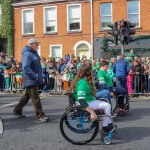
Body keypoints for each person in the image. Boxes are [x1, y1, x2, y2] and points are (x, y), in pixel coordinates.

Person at [70, 63, 115, 133]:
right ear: (88, 72)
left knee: (105, 104)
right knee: (107, 106)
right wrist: (92, 112)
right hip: (86, 102)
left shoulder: (82, 80)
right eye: (91, 71)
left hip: (89, 100)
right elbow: (81, 100)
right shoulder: (82, 83)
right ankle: (106, 127)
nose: (92, 73)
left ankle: (108, 124)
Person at [13, 38, 49, 122]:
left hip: (33, 79)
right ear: (32, 44)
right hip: (31, 79)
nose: (38, 45)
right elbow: (25, 67)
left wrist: (38, 77)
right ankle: (40, 115)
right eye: (37, 44)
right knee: (35, 98)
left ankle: (17, 110)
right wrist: (35, 76)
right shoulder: (27, 54)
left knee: (27, 96)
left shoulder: (33, 53)